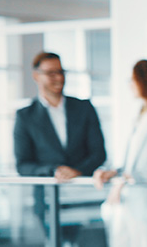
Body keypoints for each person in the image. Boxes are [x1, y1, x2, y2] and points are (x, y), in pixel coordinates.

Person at [13, 51, 106, 242]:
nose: (59, 78)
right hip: (48, 200)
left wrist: (77, 171)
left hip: (85, 198)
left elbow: (99, 153)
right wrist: (54, 170)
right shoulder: (25, 116)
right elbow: (23, 164)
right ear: (36, 76)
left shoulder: (84, 108)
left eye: (61, 71)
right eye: (51, 73)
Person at [93, 60, 147, 247]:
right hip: (131, 205)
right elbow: (132, 164)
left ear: (145, 83)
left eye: (133, 79)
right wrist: (116, 173)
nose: (130, 84)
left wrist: (127, 178)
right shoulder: (143, 116)